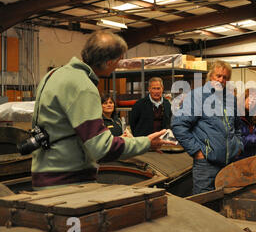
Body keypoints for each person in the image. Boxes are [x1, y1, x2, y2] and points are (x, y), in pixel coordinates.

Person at [30, 31, 173, 190]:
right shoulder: (83, 86)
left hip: (43, 175)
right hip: (67, 182)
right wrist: (146, 143)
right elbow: (101, 148)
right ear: (108, 62)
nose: (119, 64)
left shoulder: (53, 75)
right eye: (119, 60)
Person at [171, 61, 243, 195]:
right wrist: (197, 152)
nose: (221, 80)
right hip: (206, 165)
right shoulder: (197, 96)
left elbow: (237, 126)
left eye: (225, 77)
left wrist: (238, 146)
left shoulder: (230, 99)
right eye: (218, 76)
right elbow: (178, 125)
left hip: (229, 164)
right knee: (204, 206)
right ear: (210, 76)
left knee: (227, 204)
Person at [237, 88, 256, 160]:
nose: (252, 101)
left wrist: (249, 139)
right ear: (244, 99)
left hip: (252, 158)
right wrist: (253, 138)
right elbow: (236, 141)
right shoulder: (236, 116)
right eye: (250, 98)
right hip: (237, 159)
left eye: (255, 100)